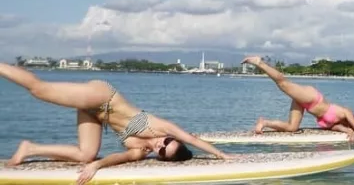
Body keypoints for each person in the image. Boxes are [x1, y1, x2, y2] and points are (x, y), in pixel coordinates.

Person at [0, 63, 234, 184]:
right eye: (168, 143)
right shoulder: (159, 126)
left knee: (87, 155)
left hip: (95, 114)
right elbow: (192, 139)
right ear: (170, 137)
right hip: (103, 97)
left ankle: (29, 149)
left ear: (161, 157)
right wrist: (223, 156)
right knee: (41, 90)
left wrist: (97, 166)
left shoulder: (139, 151)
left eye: (163, 152)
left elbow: (116, 158)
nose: (161, 145)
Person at [243, 56, 354, 143]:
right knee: (283, 84)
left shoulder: (336, 124)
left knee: (292, 128)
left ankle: (264, 123)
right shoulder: (346, 112)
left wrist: (348, 130)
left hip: (306, 105)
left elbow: (339, 128)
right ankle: (259, 62)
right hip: (312, 98)